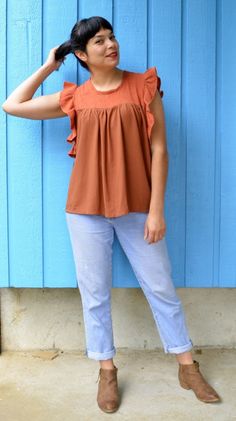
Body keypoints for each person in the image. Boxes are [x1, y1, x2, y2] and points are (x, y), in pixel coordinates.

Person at [2, 15, 220, 413]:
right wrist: (50, 66)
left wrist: (156, 211)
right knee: (94, 294)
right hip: (85, 210)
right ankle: (106, 370)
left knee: (161, 287)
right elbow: (12, 104)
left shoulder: (143, 86)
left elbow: (159, 150)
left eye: (111, 36)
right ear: (83, 56)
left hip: (138, 207)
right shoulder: (75, 97)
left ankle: (186, 365)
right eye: (99, 42)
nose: (110, 44)